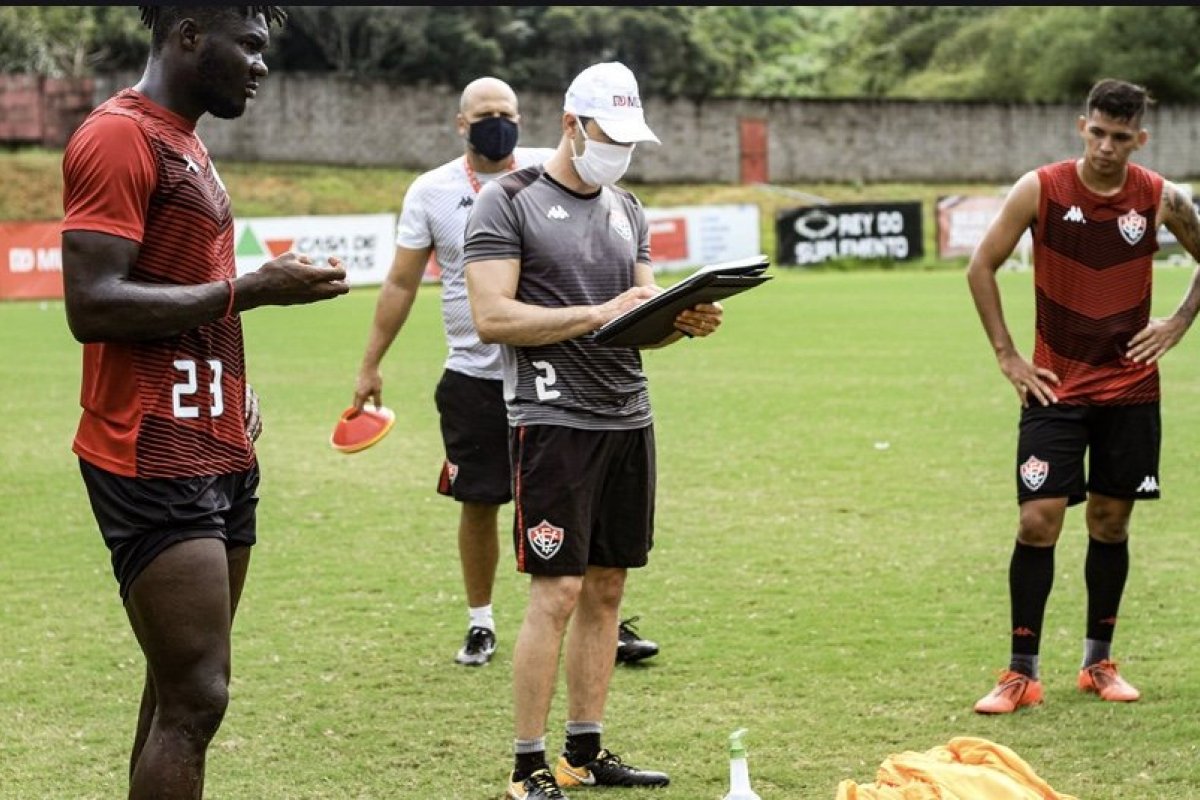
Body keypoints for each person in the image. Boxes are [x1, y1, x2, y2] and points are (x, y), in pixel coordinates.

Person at [61, 7, 349, 798]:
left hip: (213, 438)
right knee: (197, 697)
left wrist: (229, 384)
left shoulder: (187, 141)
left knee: (176, 690)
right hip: (150, 447)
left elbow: (177, 294)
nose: (261, 66)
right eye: (250, 46)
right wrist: (249, 290)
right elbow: (91, 303)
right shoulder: (120, 135)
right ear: (189, 34)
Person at [463, 61, 724, 800]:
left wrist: (682, 323)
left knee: (608, 587)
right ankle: (526, 766)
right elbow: (493, 318)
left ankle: (585, 751)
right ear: (571, 126)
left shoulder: (628, 208)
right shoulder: (506, 202)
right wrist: (594, 313)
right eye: (610, 138)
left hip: (627, 415)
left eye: (631, 142)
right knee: (558, 590)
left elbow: (636, 325)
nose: (621, 154)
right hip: (552, 421)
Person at [351, 76, 660, 669]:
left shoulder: (557, 168)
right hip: (475, 374)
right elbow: (400, 282)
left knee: (586, 507)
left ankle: (602, 619)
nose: (500, 122)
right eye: (486, 113)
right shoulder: (432, 191)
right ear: (461, 124)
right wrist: (370, 363)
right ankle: (481, 621)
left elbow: (614, 233)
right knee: (480, 500)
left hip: (562, 375)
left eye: (509, 112)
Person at [966, 78, 1200, 715]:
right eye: (1097, 132)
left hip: (1130, 390)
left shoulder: (1159, 196)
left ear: (1139, 140)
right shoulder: (1040, 187)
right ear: (1082, 127)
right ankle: (1020, 672)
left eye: (1120, 137)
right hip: (1054, 387)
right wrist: (1008, 356)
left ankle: (1098, 662)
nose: (1106, 146)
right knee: (1037, 521)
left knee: (1110, 522)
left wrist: (1178, 322)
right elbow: (980, 266)